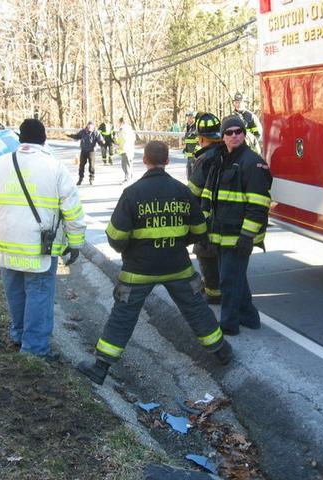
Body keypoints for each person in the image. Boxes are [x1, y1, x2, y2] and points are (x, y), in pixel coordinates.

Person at [77, 140, 233, 385]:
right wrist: (179, 242)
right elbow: (200, 229)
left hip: (138, 271)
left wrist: (129, 250)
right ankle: (221, 351)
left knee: (123, 315)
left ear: (145, 161)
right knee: (195, 308)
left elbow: (116, 236)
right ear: (168, 161)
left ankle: (100, 367)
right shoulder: (182, 191)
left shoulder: (132, 194)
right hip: (177, 266)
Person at [0, 118, 86, 358]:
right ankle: (35, 349)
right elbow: (73, 210)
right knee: (38, 295)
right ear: (44, 139)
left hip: (7, 246)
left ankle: (18, 336)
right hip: (39, 248)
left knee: (15, 293)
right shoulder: (54, 167)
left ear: (19, 139)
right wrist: (75, 243)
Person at [201, 115, 272, 336]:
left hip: (238, 236)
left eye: (238, 131)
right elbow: (209, 196)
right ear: (222, 136)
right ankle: (249, 317)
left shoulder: (253, 162)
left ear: (244, 133)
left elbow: (259, 204)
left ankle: (229, 326)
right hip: (221, 234)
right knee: (235, 278)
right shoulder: (220, 160)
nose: (234, 136)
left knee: (228, 281)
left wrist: (247, 236)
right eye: (229, 132)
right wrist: (204, 229)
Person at [187, 112, 225, 305]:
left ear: (201, 138)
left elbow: (193, 191)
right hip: (229, 217)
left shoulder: (204, 159)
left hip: (208, 216)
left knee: (205, 252)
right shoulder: (230, 152)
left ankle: (213, 293)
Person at [67, 121, 105, 185]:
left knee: (91, 166)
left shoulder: (96, 133)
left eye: (91, 126)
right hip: (84, 151)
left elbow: (100, 141)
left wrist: (102, 142)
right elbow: (77, 136)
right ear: (87, 126)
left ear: (93, 127)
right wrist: (69, 135)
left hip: (91, 151)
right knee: (81, 166)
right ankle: (80, 179)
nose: (90, 128)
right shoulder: (83, 132)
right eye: (89, 126)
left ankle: (91, 178)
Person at [115, 116, 135, 184]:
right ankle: (130, 177)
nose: (119, 124)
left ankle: (127, 178)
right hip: (129, 149)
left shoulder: (123, 129)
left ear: (122, 122)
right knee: (129, 164)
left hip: (126, 149)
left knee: (125, 165)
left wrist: (117, 143)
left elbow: (122, 140)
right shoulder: (129, 129)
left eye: (119, 122)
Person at [183, 110, 199, 179]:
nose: (189, 119)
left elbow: (198, 142)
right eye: (188, 117)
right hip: (189, 157)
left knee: (193, 176)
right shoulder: (188, 127)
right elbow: (188, 140)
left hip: (194, 157)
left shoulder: (196, 128)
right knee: (189, 175)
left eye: (191, 117)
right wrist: (185, 149)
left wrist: (195, 152)